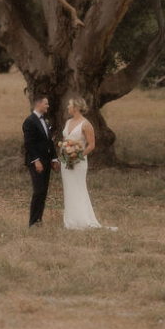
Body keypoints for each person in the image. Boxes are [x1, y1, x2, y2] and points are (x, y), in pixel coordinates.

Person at [59, 98, 113, 231]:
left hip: (78, 162)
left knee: (79, 188)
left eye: (69, 105)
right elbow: (66, 140)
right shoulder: (68, 122)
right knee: (69, 189)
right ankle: (70, 219)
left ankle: (82, 219)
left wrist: (77, 155)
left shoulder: (86, 124)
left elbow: (91, 145)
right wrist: (66, 153)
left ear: (76, 108)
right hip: (66, 162)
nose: (67, 107)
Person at [20, 96, 57, 227]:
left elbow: (50, 141)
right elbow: (29, 144)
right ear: (39, 104)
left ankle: (39, 220)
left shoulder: (45, 121)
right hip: (37, 163)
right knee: (38, 191)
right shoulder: (29, 121)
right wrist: (36, 161)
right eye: (46, 104)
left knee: (44, 192)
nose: (48, 106)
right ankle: (33, 221)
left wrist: (54, 158)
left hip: (47, 161)